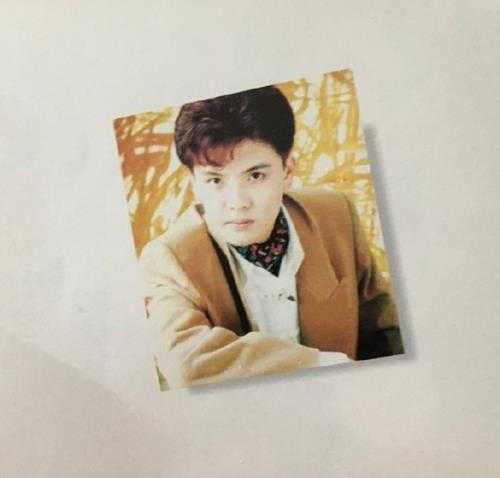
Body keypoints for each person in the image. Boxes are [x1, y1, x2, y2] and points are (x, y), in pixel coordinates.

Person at [139, 85, 403, 390]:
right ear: (194, 184)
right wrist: (319, 365)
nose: (237, 202)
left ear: (287, 170)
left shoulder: (336, 214)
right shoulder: (168, 258)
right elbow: (186, 364)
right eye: (215, 180)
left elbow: (386, 330)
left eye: (255, 175)